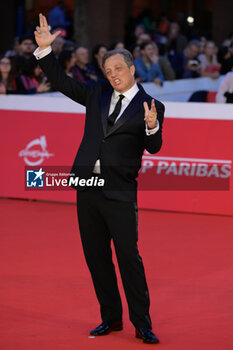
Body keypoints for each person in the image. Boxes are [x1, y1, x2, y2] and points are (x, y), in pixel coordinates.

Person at [34, 13, 165, 344]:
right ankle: (111, 318)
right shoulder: (96, 95)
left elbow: (154, 147)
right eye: (108, 72)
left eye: (118, 69)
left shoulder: (152, 105)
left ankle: (142, 323)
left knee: (128, 260)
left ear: (132, 69)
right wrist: (46, 53)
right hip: (87, 188)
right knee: (97, 259)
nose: (113, 75)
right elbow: (64, 84)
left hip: (120, 193)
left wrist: (151, 125)